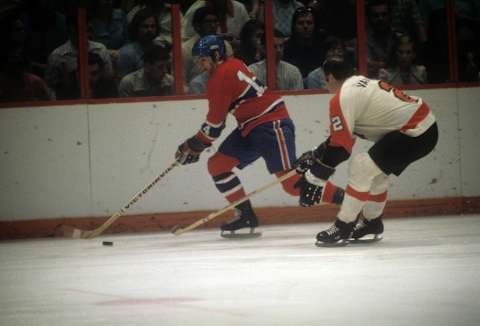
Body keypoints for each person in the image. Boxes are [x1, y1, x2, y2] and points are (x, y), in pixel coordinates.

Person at [174, 35, 343, 236]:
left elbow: (215, 125)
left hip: (271, 124)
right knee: (218, 165)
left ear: (216, 55)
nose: (201, 65)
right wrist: (197, 145)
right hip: (251, 126)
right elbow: (218, 122)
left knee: (292, 185)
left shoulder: (219, 77)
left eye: (203, 59)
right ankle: (246, 216)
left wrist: (193, 144)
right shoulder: (234, 64)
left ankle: (349, 200)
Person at [295, 55, 438, 246]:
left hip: (414, 131)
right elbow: (342, 138)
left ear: (328, 77)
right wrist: (316, 154)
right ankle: (372, 223)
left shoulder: (341, 98)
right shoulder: (358, 85)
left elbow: (341, 149)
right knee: (375, 173)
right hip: (424, 128)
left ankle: (343, 226)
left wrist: (315, 177)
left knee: (362, 167)